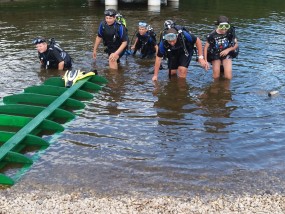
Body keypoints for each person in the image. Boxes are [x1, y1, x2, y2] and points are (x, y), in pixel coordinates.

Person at [204, 15, 239, 80]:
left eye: (226, 26)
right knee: (216, 77)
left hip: (227, 53)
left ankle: (226, 89)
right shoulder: (212, 35)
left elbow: (236, 45)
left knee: (228, 77)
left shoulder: (230, 32)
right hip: (215, 54)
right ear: (218, 25)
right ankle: (216, 87)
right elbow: (205, 47)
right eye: (221, 26)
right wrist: (205, 61)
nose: (224, 29)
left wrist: (228, 50)